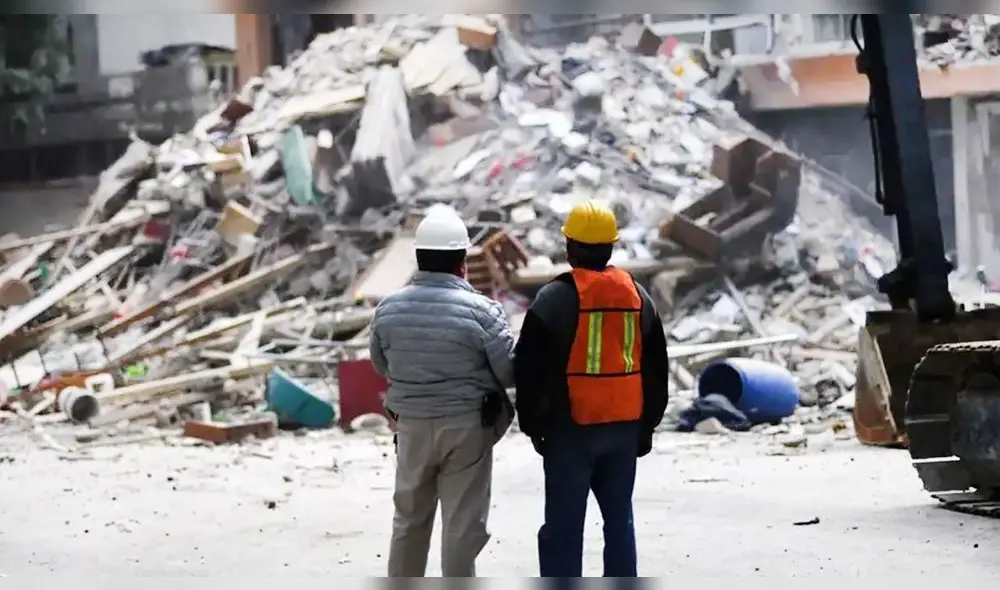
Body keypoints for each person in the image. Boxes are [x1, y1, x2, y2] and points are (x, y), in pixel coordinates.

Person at [514, 199, 670, 578]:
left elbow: (528, 367)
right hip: (624, 428)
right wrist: (647, 425)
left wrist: (533, 424)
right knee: (620, 525)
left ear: (570, 247)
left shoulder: (554, 298)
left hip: (571, 431)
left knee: (564, 528)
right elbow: (657, 366)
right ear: (611, 246)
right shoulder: (637, 295)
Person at [369, 206, 516, 578]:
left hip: (412, 427)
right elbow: (509, 372)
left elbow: (381, 365)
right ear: (462, 262)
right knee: (462, 526)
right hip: (467, 428)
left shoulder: (388, 309)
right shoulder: (485, 312)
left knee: (409, 521)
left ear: (418, 258)